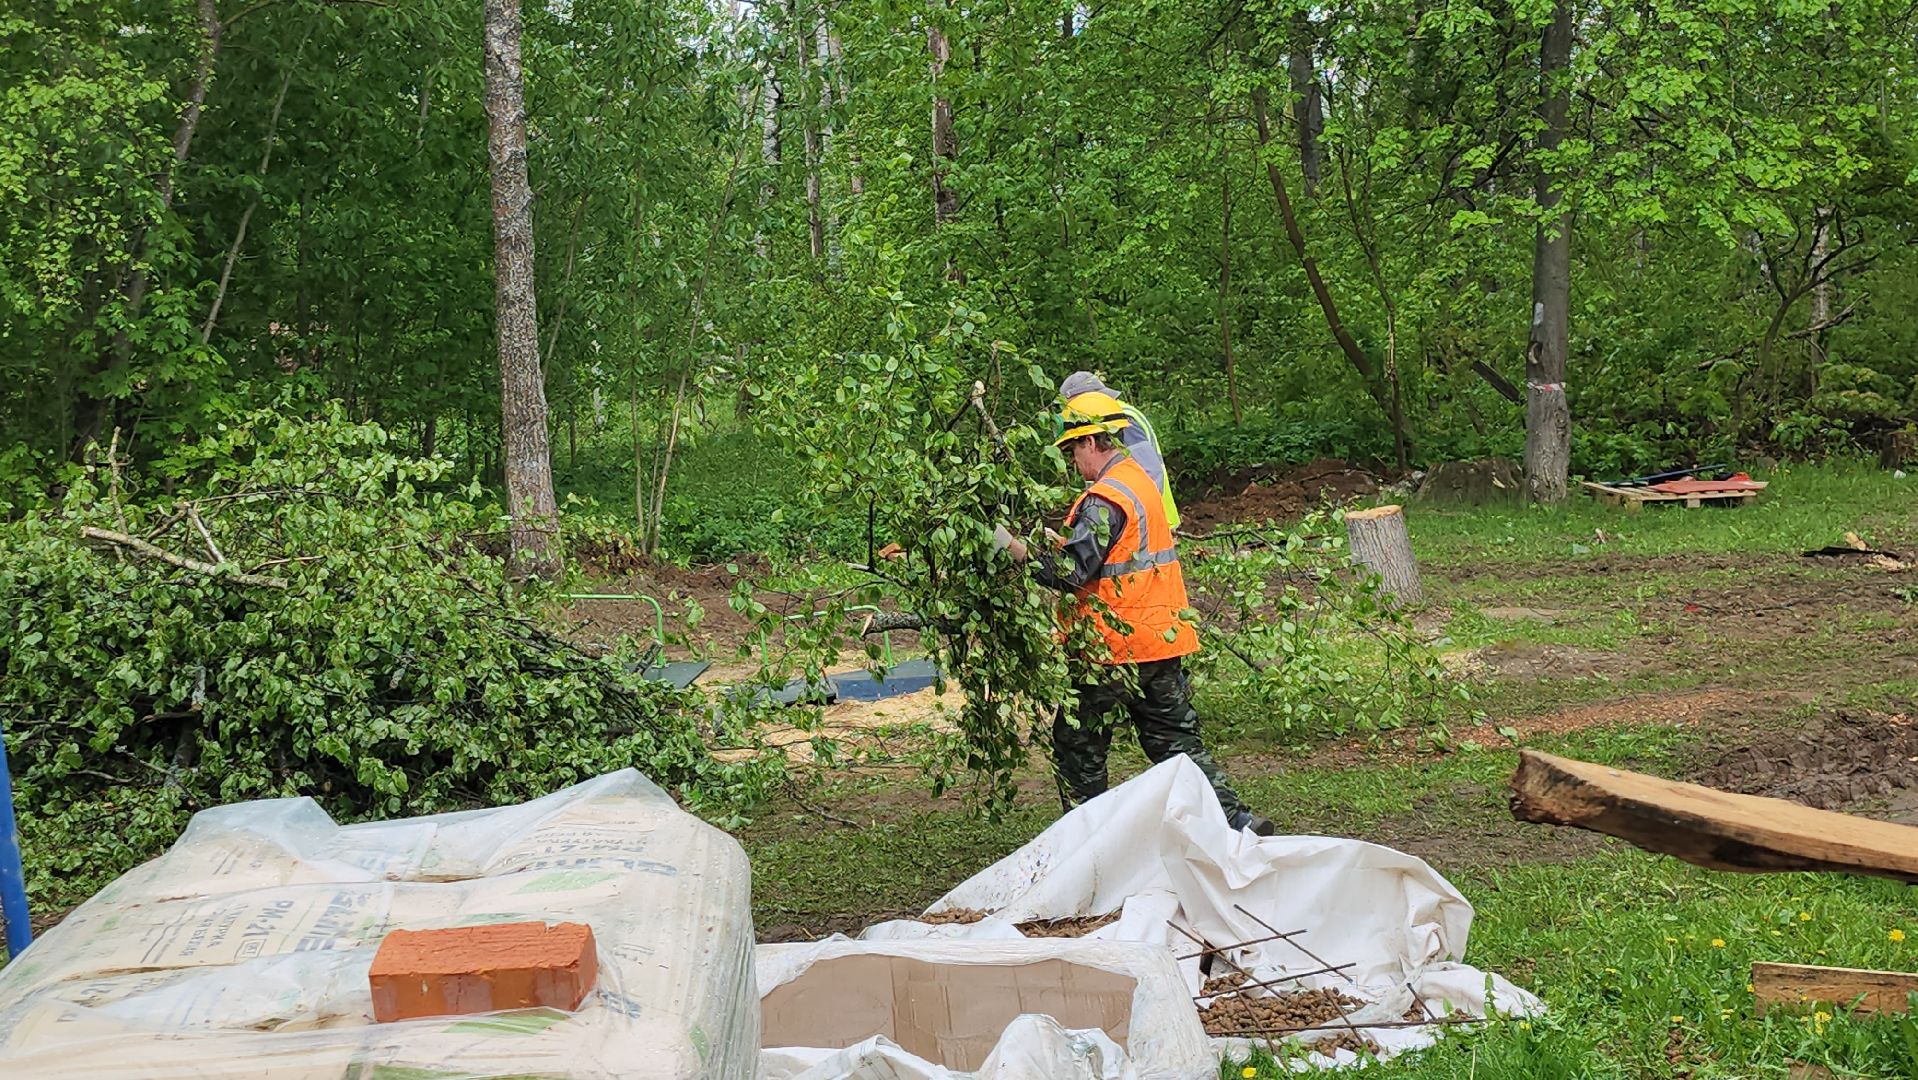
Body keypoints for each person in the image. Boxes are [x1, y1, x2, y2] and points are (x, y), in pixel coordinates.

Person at [1001, 391, 1272, 835]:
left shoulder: (1103, 498)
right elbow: (1119, 557)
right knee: (1177, 744)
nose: (1072, 461)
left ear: (1092, 442)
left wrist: (1013, 550)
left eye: (1072, 450)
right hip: (1160, 639)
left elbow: (1072, 574)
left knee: (1077, 746)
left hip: (1110, 648)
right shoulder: (1140, 481)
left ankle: (1087, 840)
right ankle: (1235, 822)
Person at [1057, 371, 1181, 531]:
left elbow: (1149, 471)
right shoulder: (1111, 417)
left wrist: (1129, 523)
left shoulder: (1118, 419)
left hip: (1150, 525)